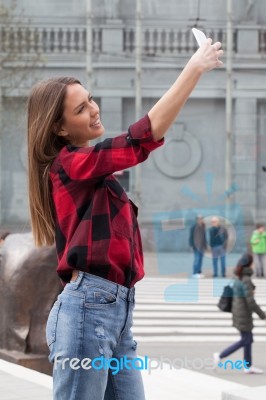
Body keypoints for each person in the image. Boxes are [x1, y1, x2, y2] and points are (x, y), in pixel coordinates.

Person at [27, 39, 223, 400]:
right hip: (89, 309)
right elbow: (140, 139)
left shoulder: (90, 173)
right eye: (81, 108)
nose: (93, 109)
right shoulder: (68, 167)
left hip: (116, 311)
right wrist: (194, 68)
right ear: (60, 129)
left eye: (90, 99)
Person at [213, 253, 266, 374]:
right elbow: (250, 301)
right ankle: (220, 356)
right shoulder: (245, 279)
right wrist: (263, 315)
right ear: (249, 264)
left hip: (238, 312)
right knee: (246, 340)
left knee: (248, 339)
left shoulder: (238, 276)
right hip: (243, 314)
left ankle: (248, 366)